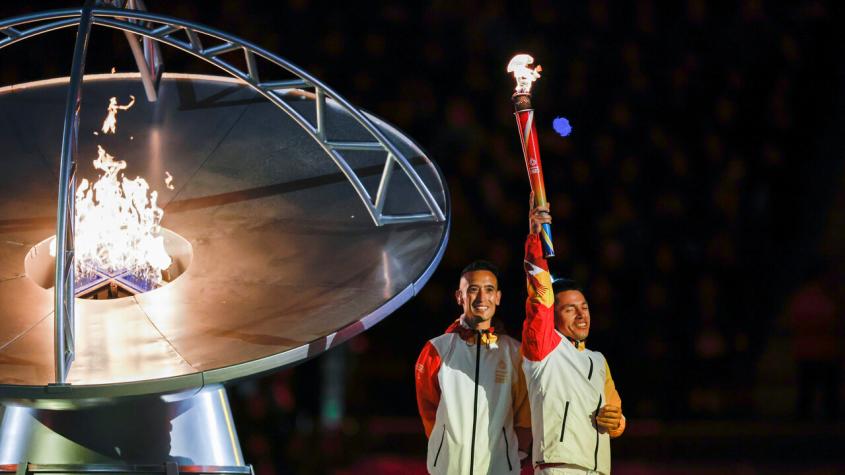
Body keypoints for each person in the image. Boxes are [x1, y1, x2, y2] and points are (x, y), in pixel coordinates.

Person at [522, 196, 625, 474]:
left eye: (585, 307)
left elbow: (615, 413)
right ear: (553, 317)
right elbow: (539, 296)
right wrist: (536, 239)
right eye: (570, 309)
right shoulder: (545, 351)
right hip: (560, 468)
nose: (582, 315)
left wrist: (616, 421)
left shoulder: (598, 361)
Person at [415, 260, 532, 474]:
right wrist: (445, 449)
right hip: (448, 468)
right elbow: (428, 410)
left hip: (499, 468)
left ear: (498, 297)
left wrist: (516, 454)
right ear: (459, 296)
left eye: (489, 290)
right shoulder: (437, 349)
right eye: (473, 290)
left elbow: (524, 413)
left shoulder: (514, 352)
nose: (481, 298)